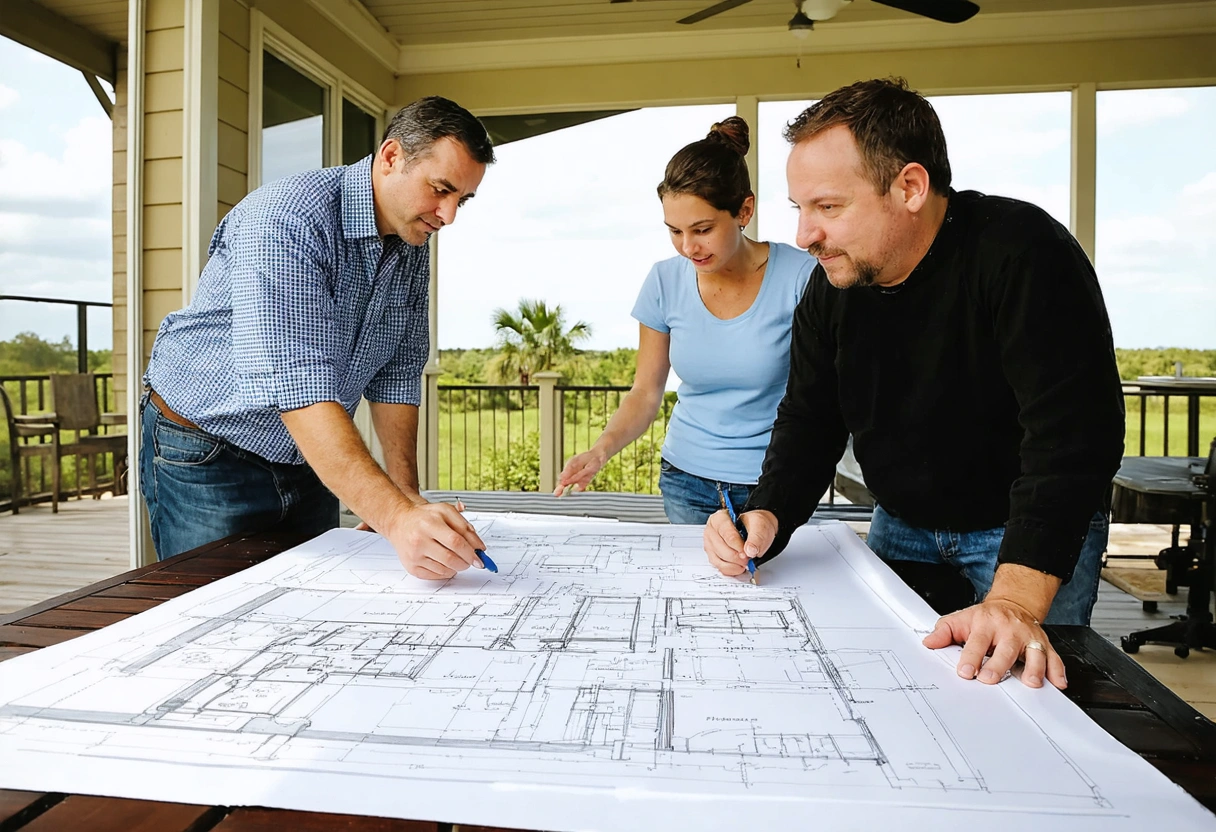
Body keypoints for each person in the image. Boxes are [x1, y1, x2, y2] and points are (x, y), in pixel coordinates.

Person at [704, 78, 1125, 690]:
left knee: (1026, 700)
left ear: (909, 187)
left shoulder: (1024, 254)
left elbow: (1074, 437)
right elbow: (810, 417)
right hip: (901, 521)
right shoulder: (831, 285)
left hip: (1024, 530)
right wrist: (769, 512)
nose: (804, 236)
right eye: (800, 210)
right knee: (893, 692)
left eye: (828, 207)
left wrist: (1014, 597)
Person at [140, 96, 493, 579]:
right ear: (391, 158)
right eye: (441, 189)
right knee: (216, 624)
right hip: (210, 453)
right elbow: (300, 388)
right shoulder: (287, 219)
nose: (448, 215)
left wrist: (404, 493)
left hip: (311, 456)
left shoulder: (413, 238)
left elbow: (397, 372)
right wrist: (395, 518)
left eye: (462, 200)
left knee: (306, 607)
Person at [555, 117, 814, 523]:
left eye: (702, 229)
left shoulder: (802, 277)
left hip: (774, 484)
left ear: (744, 210)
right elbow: (645, 392)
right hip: (686, 481)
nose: (688, 247)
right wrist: (599, 450)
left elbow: (820, 397)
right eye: (674, 231)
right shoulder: (663, 281)